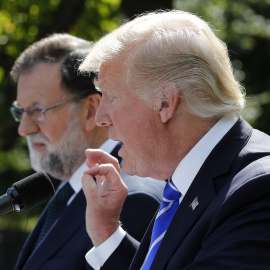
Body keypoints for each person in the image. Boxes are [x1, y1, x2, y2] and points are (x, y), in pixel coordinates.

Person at [79, 9, 270, 270]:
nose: (100, 118)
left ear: (166, 102)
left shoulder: (259, 188)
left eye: (111, 97)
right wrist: (106, 232)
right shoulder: (189, 183)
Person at [9, 33, 165, 270]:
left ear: (91, 110)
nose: (24, 129)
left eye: (38, 110)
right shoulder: (70, 187)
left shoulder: (131, 198)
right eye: (21, 111)